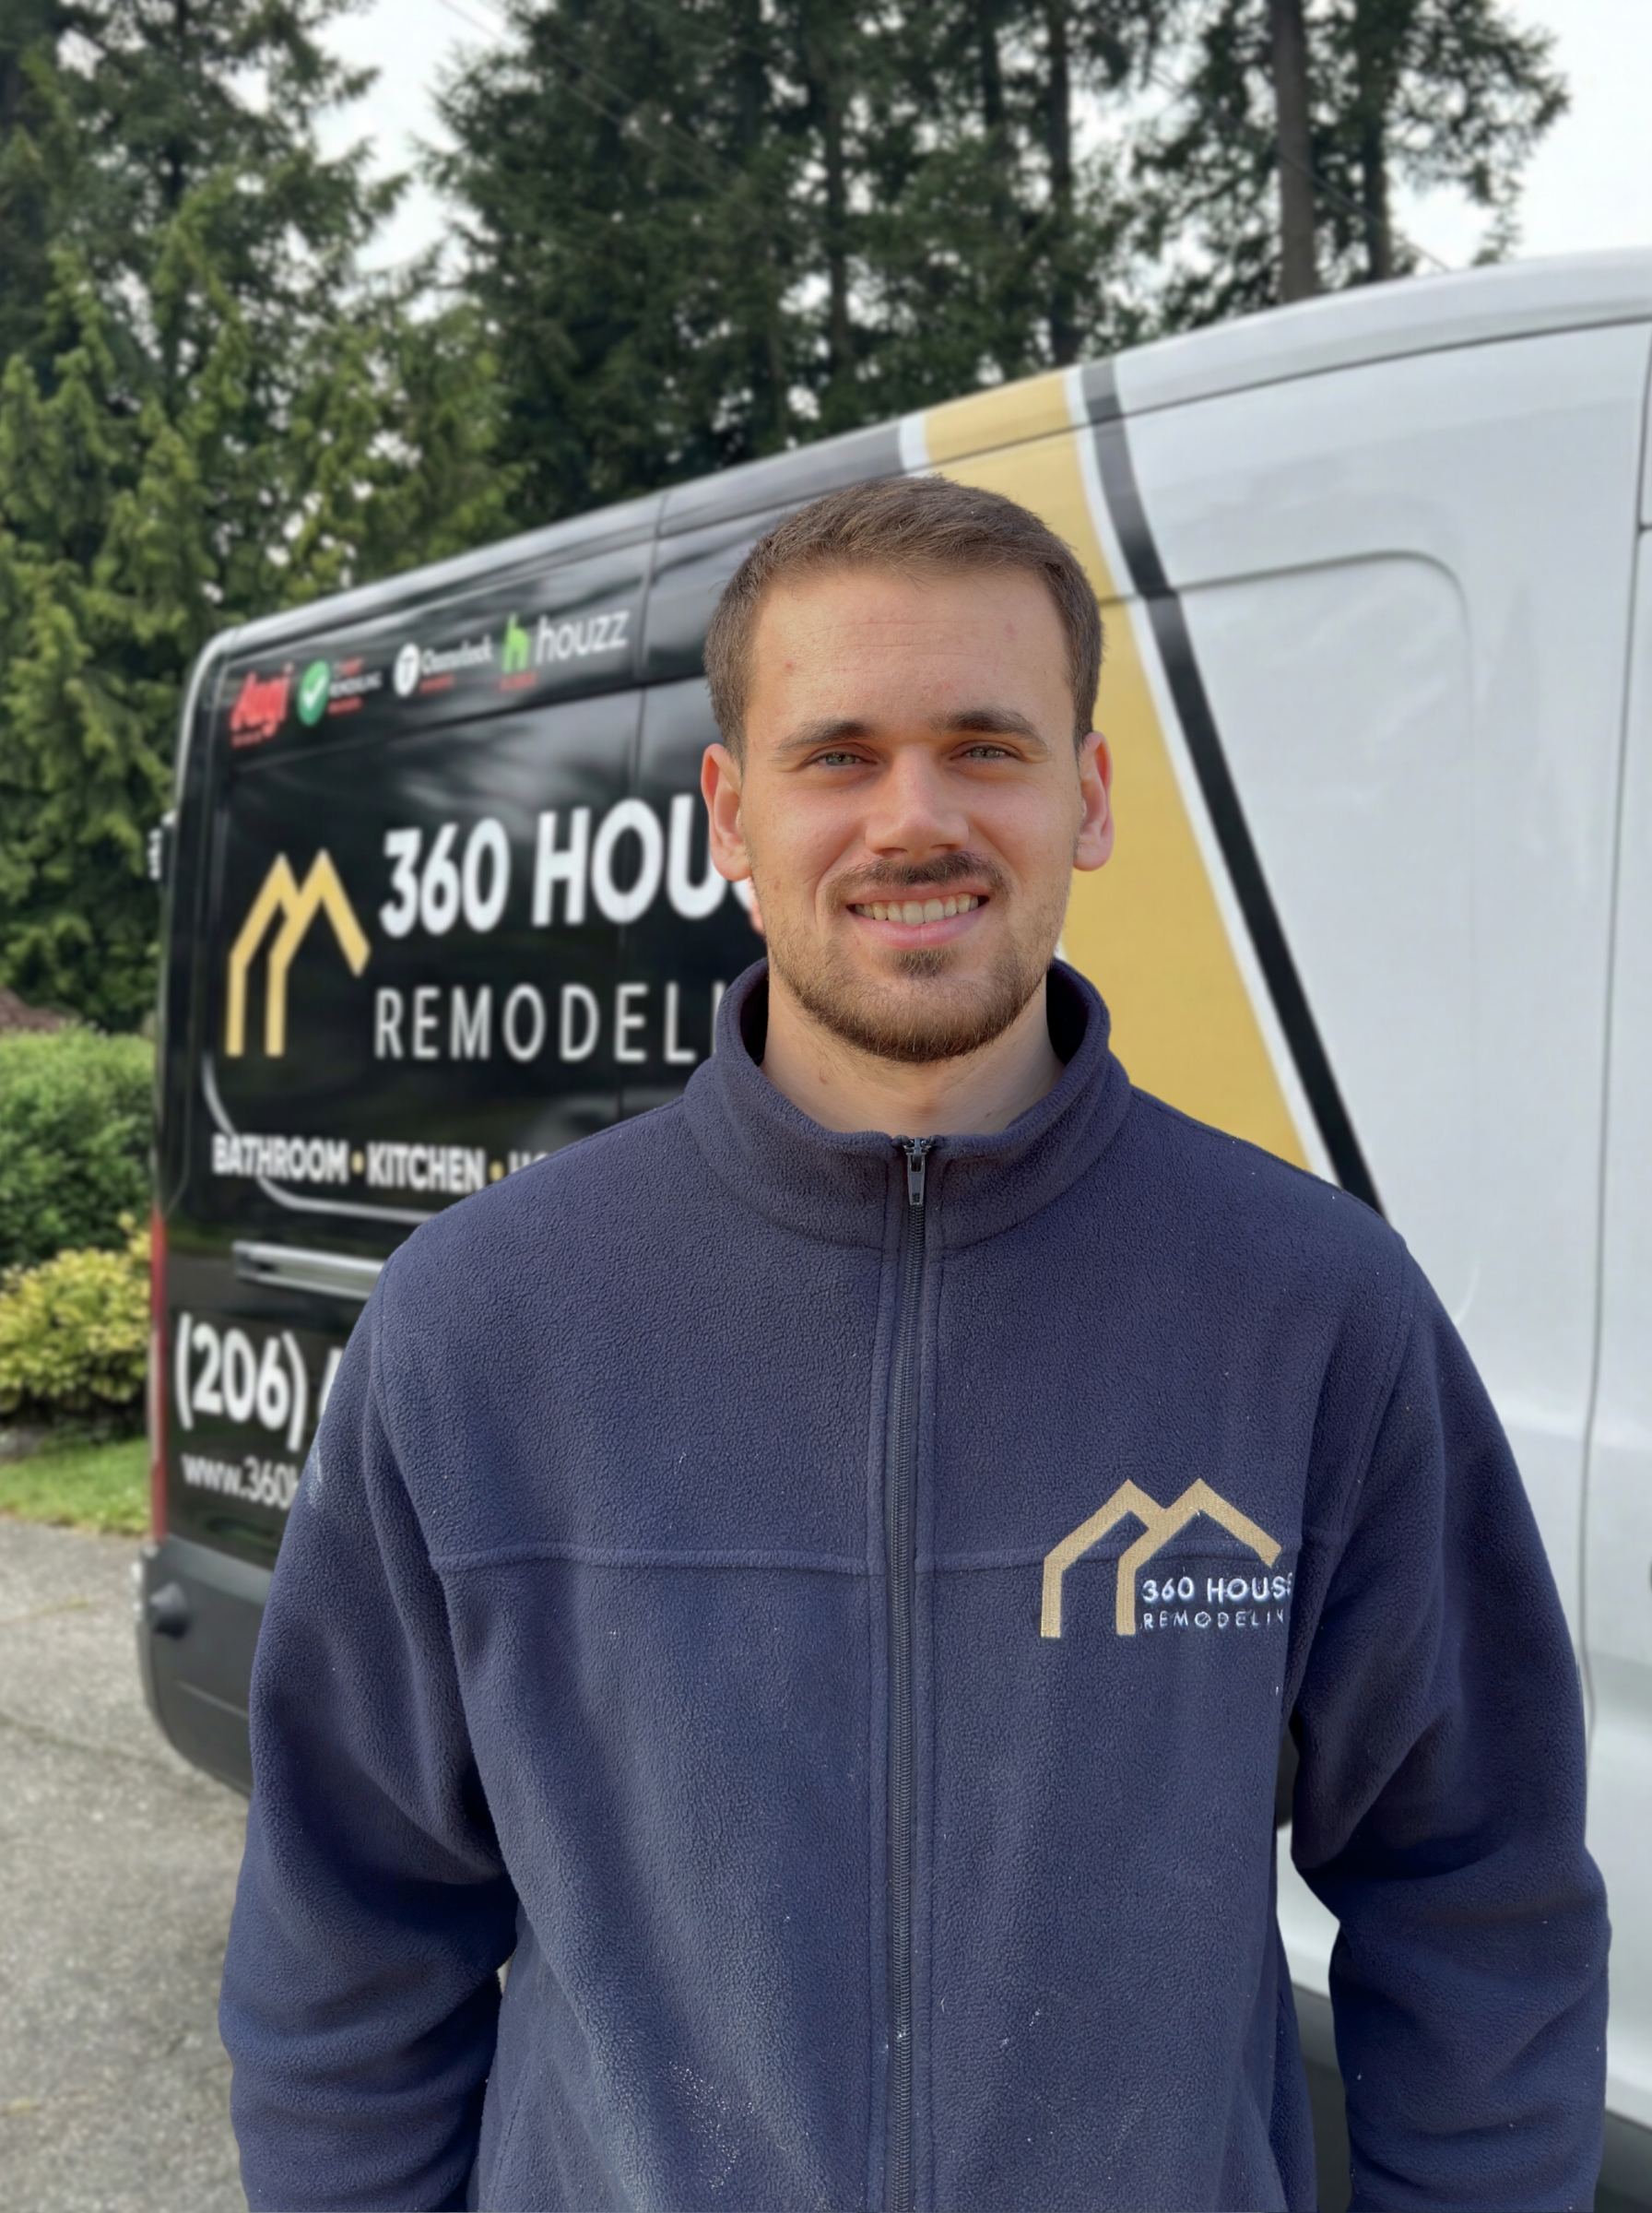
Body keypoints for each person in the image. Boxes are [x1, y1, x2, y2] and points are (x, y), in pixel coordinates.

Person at [220, 475, 1607, 2212]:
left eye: (987, 745)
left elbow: (1474, 1893)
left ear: (1087, 798)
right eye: (837, 755)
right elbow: (352, 1941)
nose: (915, 817)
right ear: (729, 812)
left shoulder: (1315, 1309)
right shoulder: (485, 1324)